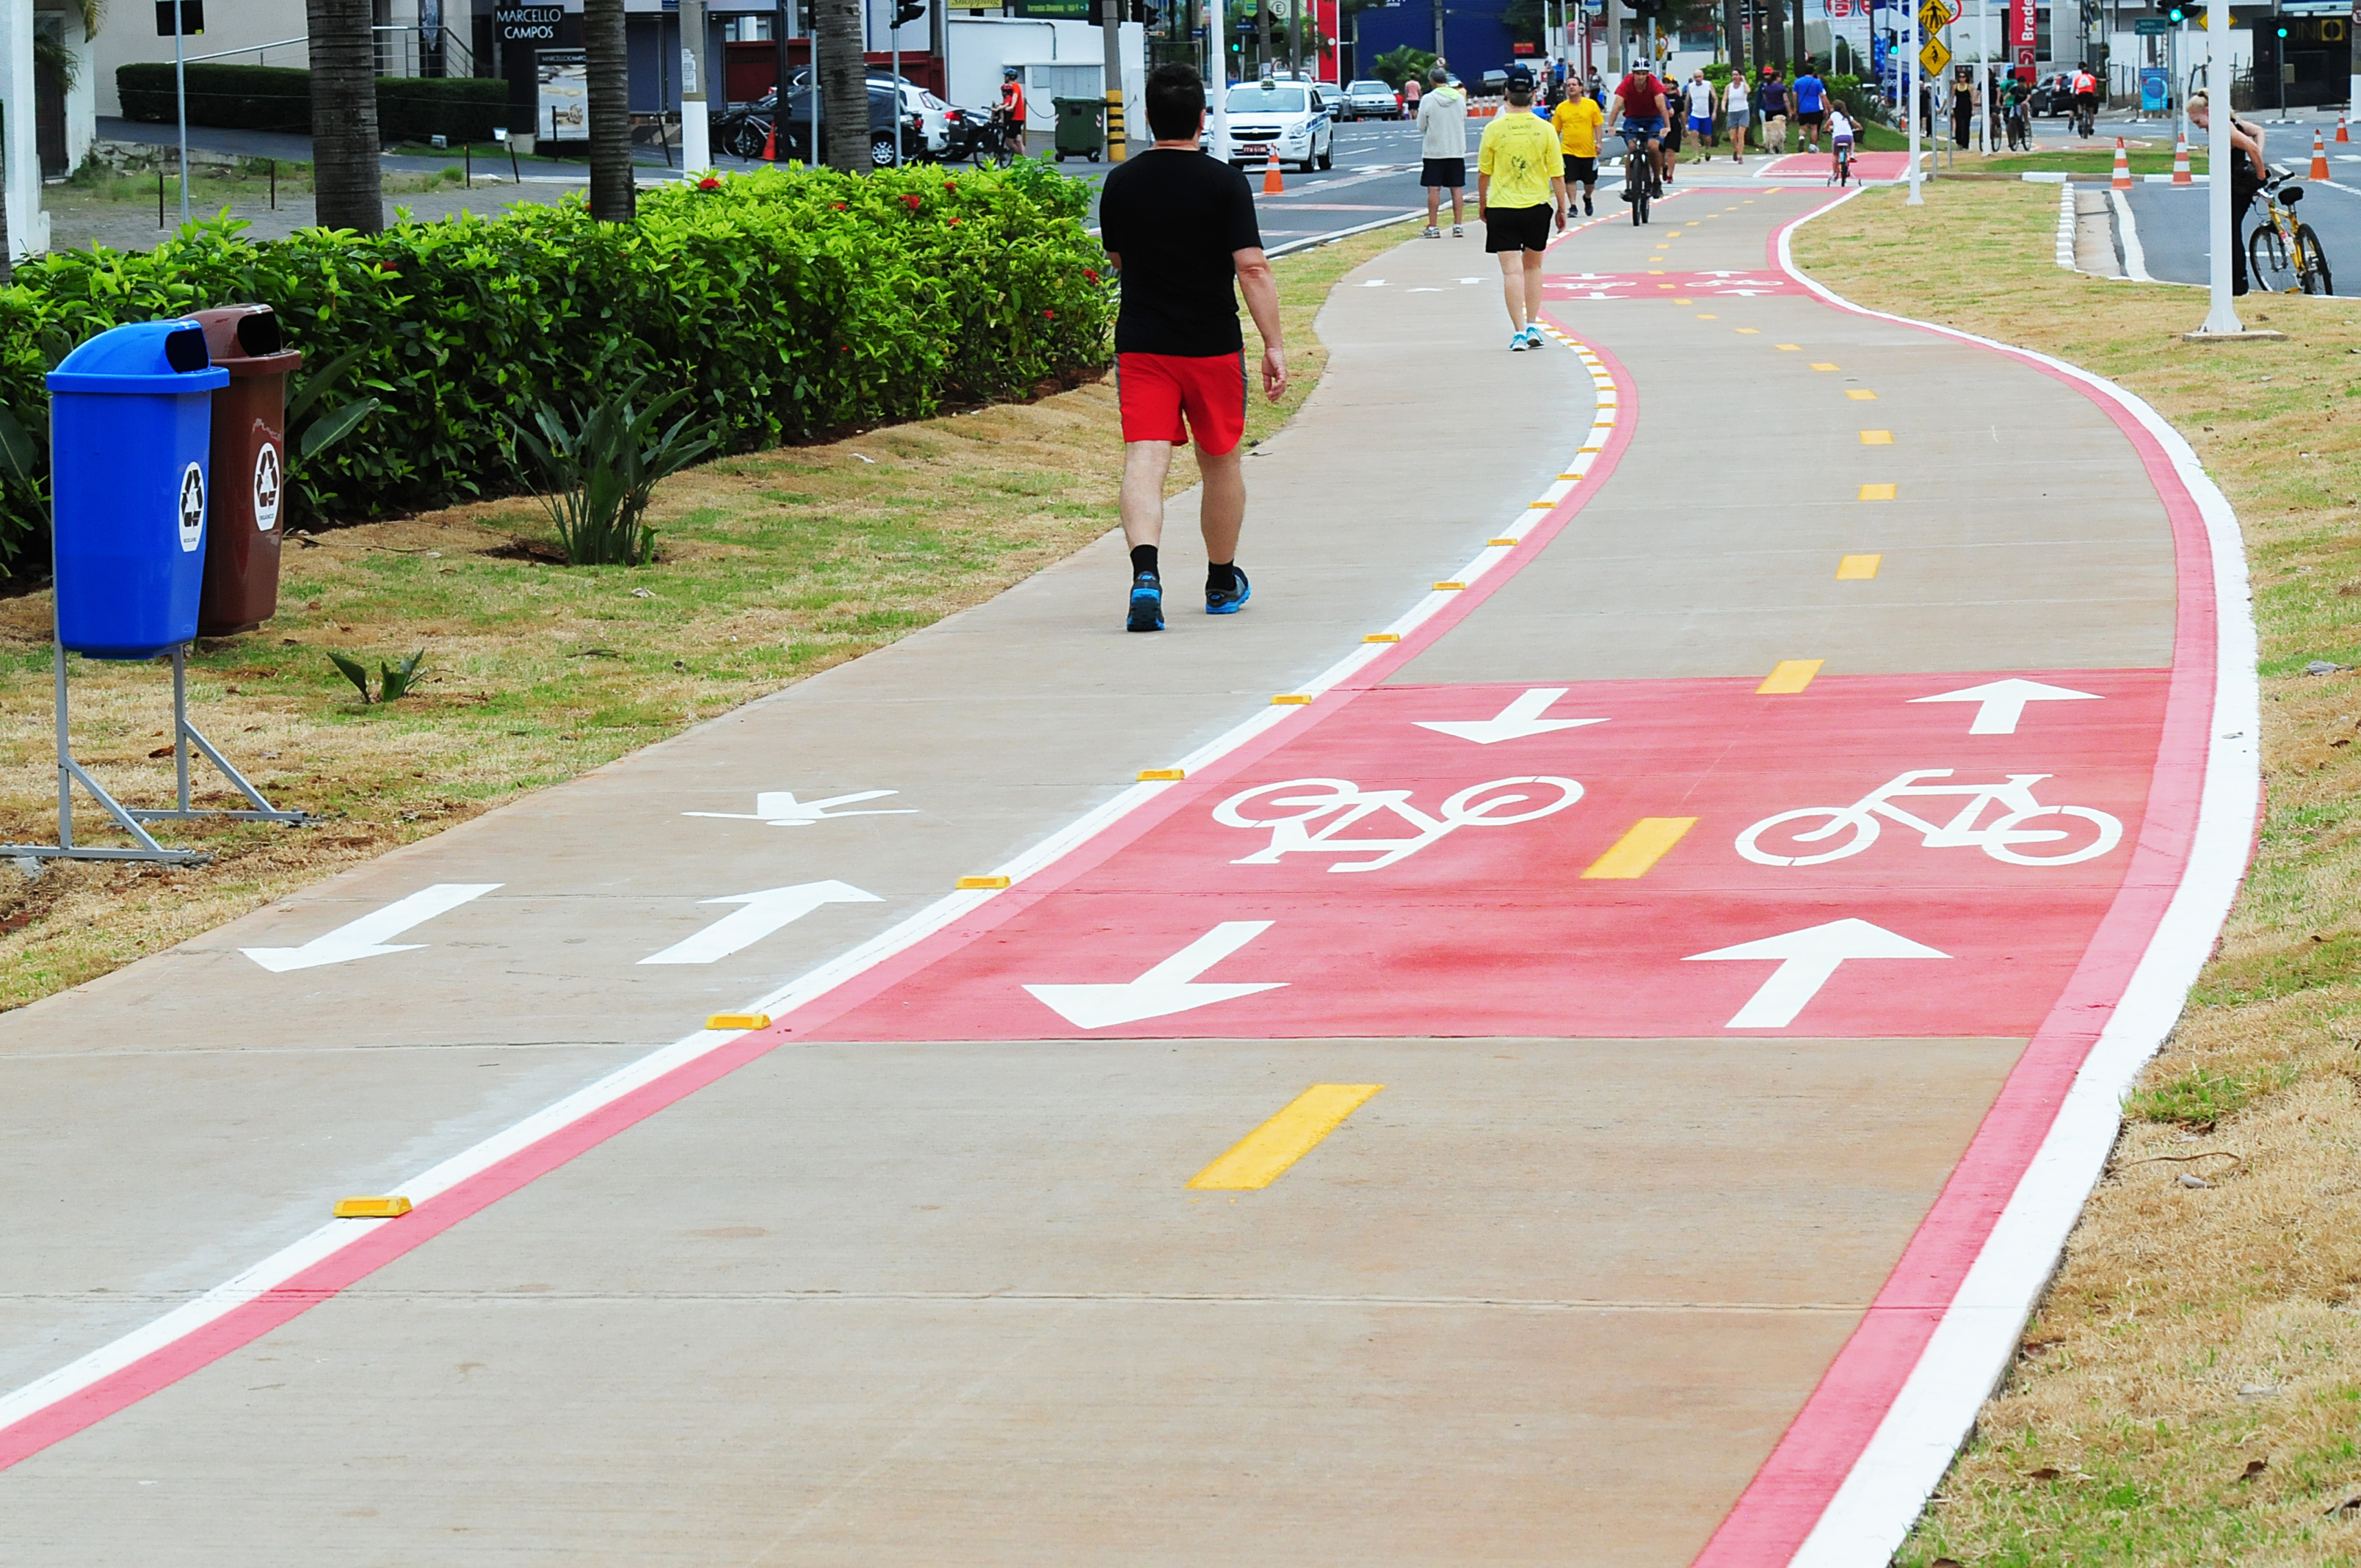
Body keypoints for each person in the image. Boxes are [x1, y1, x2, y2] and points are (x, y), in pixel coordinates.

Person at [1097, 62, 1286, 632]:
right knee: (1220, 459)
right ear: (1203, 118)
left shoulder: (1122, 182)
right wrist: (1273, 344)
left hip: (1144, 345)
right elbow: (1251, 267)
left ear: (1148, 117)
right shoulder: (1225, 183)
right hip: (1212, 345)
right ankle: (1221, 580)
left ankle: (1146, 575)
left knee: (1145, 458)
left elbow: (1118, 260)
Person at [1477, 65, 1569, 352]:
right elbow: (1557, 174)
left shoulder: (1493, 129)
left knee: (1511, 273)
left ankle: (1517, 331)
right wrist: (1562, 207)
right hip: (1537, 205)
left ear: (1506, 93)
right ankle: (1533, 325)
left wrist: (1483, 205)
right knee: (1534, 267)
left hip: (1502, 206)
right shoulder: (1545, 129)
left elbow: (1483, 173)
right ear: (1532, 94)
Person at [2186, 90, 2271, 294]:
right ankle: (2234, 282)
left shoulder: (2225, 128)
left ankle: (2239, 285)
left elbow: (2251, 146)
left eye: (2198, 121)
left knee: (2231, 235)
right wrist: (2255, 158)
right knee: (2230, 233)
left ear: (2208, 111)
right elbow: (2258, 131)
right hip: (2234, 186)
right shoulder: (2233, 122)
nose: (2198, 126)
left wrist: (2260, 174)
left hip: (2236, 188)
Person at [1418, 67, 1469, 238]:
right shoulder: (1459, 99)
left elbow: (1421, 126)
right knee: (1457, 188)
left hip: (1434, 150)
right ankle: (1458, 225)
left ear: (1432, 81)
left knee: (1434, 189)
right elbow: (1463, 118)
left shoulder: (1428, 99)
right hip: (1456, 149)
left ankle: (1433, 226)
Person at [1608, 60, 1670, 194]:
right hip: (1633, 119)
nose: (1641, 77)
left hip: (1654, 118)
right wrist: (1611, 126)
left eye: (1644, 74)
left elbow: (1662, 106)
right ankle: (1629, 187)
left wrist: (1667, 127)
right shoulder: (1627, 83)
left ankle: (1657, 180)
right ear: (1633, 74)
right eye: (1638, 74)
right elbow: (1617, 105)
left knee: (1653, 146)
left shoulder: (1654, 83)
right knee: (1632, 147)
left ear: (1648, 74)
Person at [1551, 75, 1604, 215]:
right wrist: (1553, 147)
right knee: (1570, 178)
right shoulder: (1561, 108)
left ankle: (1587, 198)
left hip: (1588, 150)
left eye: (1574, 84)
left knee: (1590, 181)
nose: (1571, 87)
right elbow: (1555, 130)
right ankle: (1573, 206)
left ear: (1581, 88)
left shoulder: (1591, 105)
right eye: (1569, 85)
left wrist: (1599, 142)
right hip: (1568, 149)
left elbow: (1598, 125)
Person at [1792, 62, 1827, 152]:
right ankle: (1812, 146)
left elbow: (1795, 95)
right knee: (1814, 128)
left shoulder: (1798, 81)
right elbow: (1822, 96)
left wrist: (1796, 108)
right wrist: (1826, 108)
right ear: (1813, 72)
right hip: (1815, 108)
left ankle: (1801, 139)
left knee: (1803, 127)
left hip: (1803, 108)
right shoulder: (1817, 82)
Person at [998, 67, 1027, 159]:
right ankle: (1024, 157)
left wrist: (1011, 106)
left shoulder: (1015, 86)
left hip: (1016, 117)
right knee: (1018, 140)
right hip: (1017, 117)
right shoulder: (1012, 87)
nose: (1004, 78)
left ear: (1009, 77)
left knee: (1009, 142)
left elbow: (1015, 96)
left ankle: (1022, 158)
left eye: (1006, 76)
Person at [1722, 68, 1749, 161]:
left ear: (1740, 76)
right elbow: (1725, 98)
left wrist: (1744, 80)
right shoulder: (1729, 87)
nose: (1734, 77)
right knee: (1733, 137)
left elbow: (1748, 91)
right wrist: (1723, 106)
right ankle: (1736, 149)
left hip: (1743, 111)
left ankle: (1740, 156)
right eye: (1733, 75)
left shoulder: (1743, 86)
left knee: (1741, 134)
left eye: (1736, 74)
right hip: (1732, 112)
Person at [2070, 62, 2098, 134]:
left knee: (2079, 104)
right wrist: (2095, 95)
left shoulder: (2078, 78)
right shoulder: (2092, 78)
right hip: (2089, 94)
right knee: (2091, 112)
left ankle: (2080, 113)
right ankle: (2091, 127)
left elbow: (2075, 88)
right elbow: (2095, 88)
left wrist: (2073, 96)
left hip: (2081, 94)